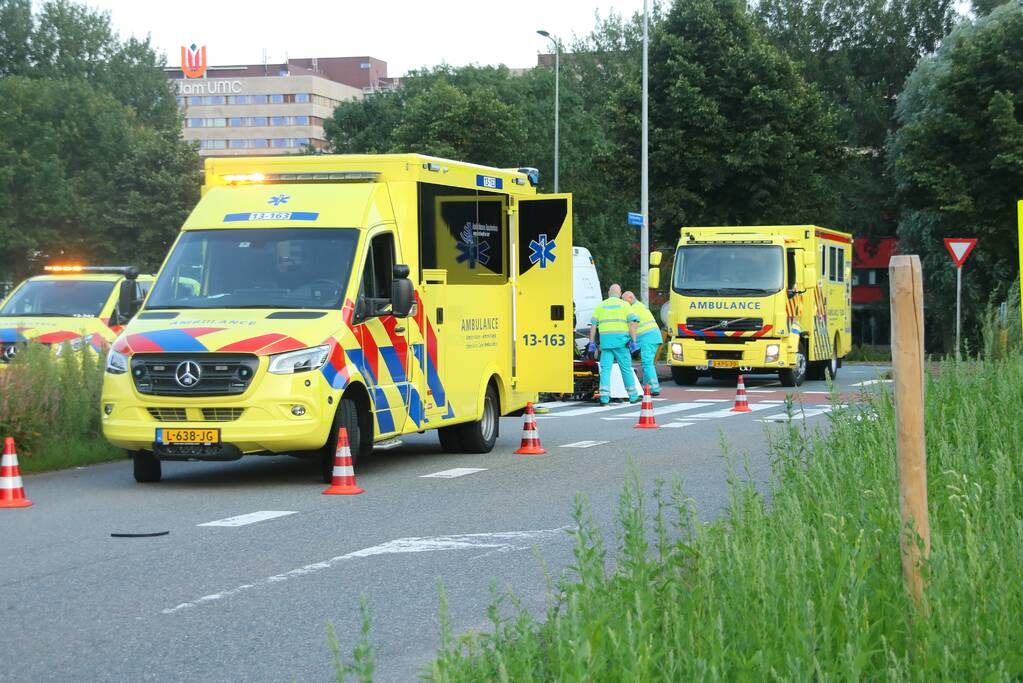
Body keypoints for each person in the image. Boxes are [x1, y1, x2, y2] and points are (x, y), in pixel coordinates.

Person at [588, 283, 639, 405]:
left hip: (606, 344)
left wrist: (592, 342)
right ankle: (633, 396)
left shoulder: (601, 306)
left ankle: (604, 398)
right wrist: (634, 341)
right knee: (626, 369)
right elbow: (632, 324)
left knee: (605, 370)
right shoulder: (624, 305)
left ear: (608, 293)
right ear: (620, 293)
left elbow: (593, 326)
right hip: (621, 343)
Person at [623, 290, 662, 396]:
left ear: (630, 298)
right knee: (647, 362)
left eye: (624, 300)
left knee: (647, 363)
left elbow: (633, 325)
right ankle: (646, 386)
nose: (623, 303)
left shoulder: (633, 308)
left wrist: (632, 341)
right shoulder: (640, 306)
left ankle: (654, 388)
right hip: (652, 337)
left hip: (647, 338)